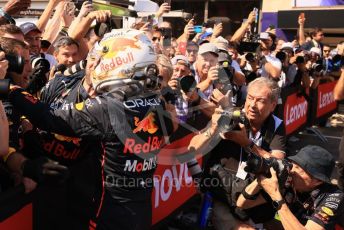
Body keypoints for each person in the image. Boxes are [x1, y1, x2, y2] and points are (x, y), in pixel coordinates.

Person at [6, 29, 175, 229]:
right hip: (140, 211)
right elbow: (170, 127)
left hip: (109, 214)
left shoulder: (110, 107)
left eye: (106, 58)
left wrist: (10, 89)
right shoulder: (156, 101)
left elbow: (48, 116)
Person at [189, 77, 286, 229]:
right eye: (250, 98)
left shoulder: (276, 124)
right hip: (221, 195)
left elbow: (279, 165)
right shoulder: (231, 117)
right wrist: (214, 128)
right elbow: (192, 151)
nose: (252, 105)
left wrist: (246, 143)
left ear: (273, 105)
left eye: (260, 100)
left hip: (250, 194)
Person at [237, 145, 344, 230]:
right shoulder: (287, 182)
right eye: (293, 164)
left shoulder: (334, 197)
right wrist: (260, 179)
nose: (292, 171)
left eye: (299, 168)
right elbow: (242, 204)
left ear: (318, 181)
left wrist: (276, 195)